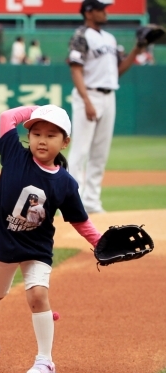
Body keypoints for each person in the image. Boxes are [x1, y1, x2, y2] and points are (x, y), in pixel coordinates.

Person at [0, 105, 102, 373]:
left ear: (65, 142)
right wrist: (38, 109)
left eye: (52, 135)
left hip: (37, 248)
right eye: (36, 132)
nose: (42, 139)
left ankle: (45, 362)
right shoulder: (14, 155)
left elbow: (79, 220)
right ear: (28, 137)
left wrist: (99, 242)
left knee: (38, 295)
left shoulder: (65, 183)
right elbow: (7, 118)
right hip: (2, 242)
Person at [67, 0, 146, 214]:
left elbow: (117, 70)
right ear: (89, 12)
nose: (105, 12)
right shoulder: (81, 35)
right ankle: (72, 203)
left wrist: (137, 49)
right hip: (89, 93)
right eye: (101, 9)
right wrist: (86, 100)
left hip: (108, 95)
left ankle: (92, 202)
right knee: (80, 152)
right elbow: (76, 70)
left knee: (100, 153)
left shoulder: (109, 39)